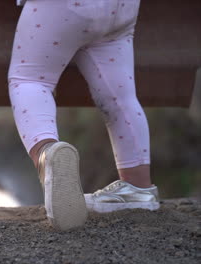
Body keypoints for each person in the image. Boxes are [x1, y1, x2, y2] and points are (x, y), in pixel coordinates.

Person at [8, 0, 160, 230]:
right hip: (121, 9)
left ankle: (47, 155)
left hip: (64, 7)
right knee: (120, 98)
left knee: (30, 79)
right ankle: (138, 189)